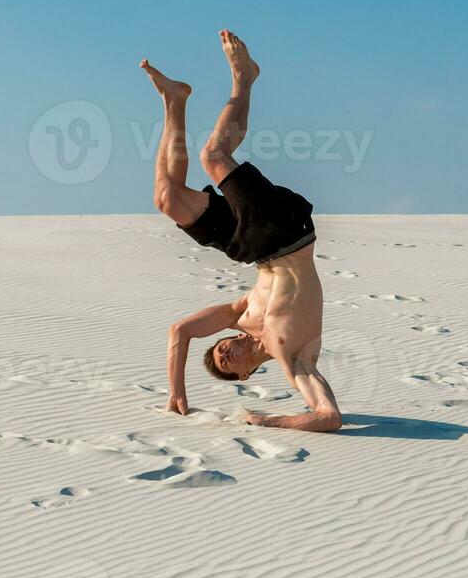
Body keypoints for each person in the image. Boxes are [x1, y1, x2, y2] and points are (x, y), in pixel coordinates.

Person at [141, 30, 341, 433]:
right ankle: (244, 78)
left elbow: (180, 331)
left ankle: (174, 101)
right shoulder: (298, 358)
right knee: (213, 155)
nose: (225, 353)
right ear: (245, 377)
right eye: (226, 364)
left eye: (219, 351)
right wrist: (272, 420)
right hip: (287, 234)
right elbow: (329, 417)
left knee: (168, 200)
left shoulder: (240, 314)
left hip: (252, 246)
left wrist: (177, 391)